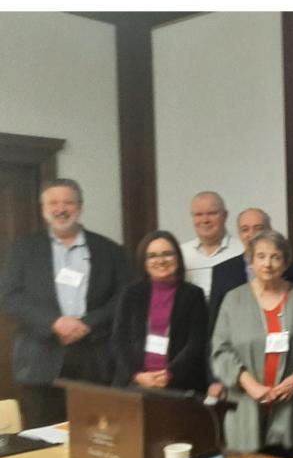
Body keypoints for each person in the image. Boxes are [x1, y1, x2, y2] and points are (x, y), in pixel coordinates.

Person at [0, 178, 127, 428]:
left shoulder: (109, 250)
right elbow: (9, 297)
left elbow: (123, 298)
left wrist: (88, 323)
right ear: (44, 208)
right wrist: (54, 322)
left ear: (79, 207)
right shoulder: (23, 250)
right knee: (42, 439)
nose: (61, 209)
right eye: (54, 202)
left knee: (97, 439)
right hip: (40, 362)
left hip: (95, 361)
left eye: (68, 202)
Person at [210, 231, 293, 458]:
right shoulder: (233, 299)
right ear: (250, 261)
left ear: (285, 262)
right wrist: (248, 383)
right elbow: (221, 350)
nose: (268, 264)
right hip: (246, 403)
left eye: (275, 257)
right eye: (260, 256)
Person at [111, 231, 208, 393]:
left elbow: (196, 342)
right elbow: (119, 340)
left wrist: (169, 374)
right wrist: (137, 375)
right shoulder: (131, 293)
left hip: (180, 384)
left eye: (167, 254)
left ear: (178, 257)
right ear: (144, 261)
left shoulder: (193, 294)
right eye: (153, 256)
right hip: (135, 383)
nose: (161, 260)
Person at [208, 207, 293, 335]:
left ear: (270, 230)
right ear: (239, 234)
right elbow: (214, 325)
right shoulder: (222, 272)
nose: (252, 234)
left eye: (258, 228)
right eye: (245, 229)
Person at [180, 191, 243, 301]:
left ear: (225, 215)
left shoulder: (242, 250)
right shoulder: (181, 254)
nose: (205, 220)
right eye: (198, 215)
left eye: (212, 213)